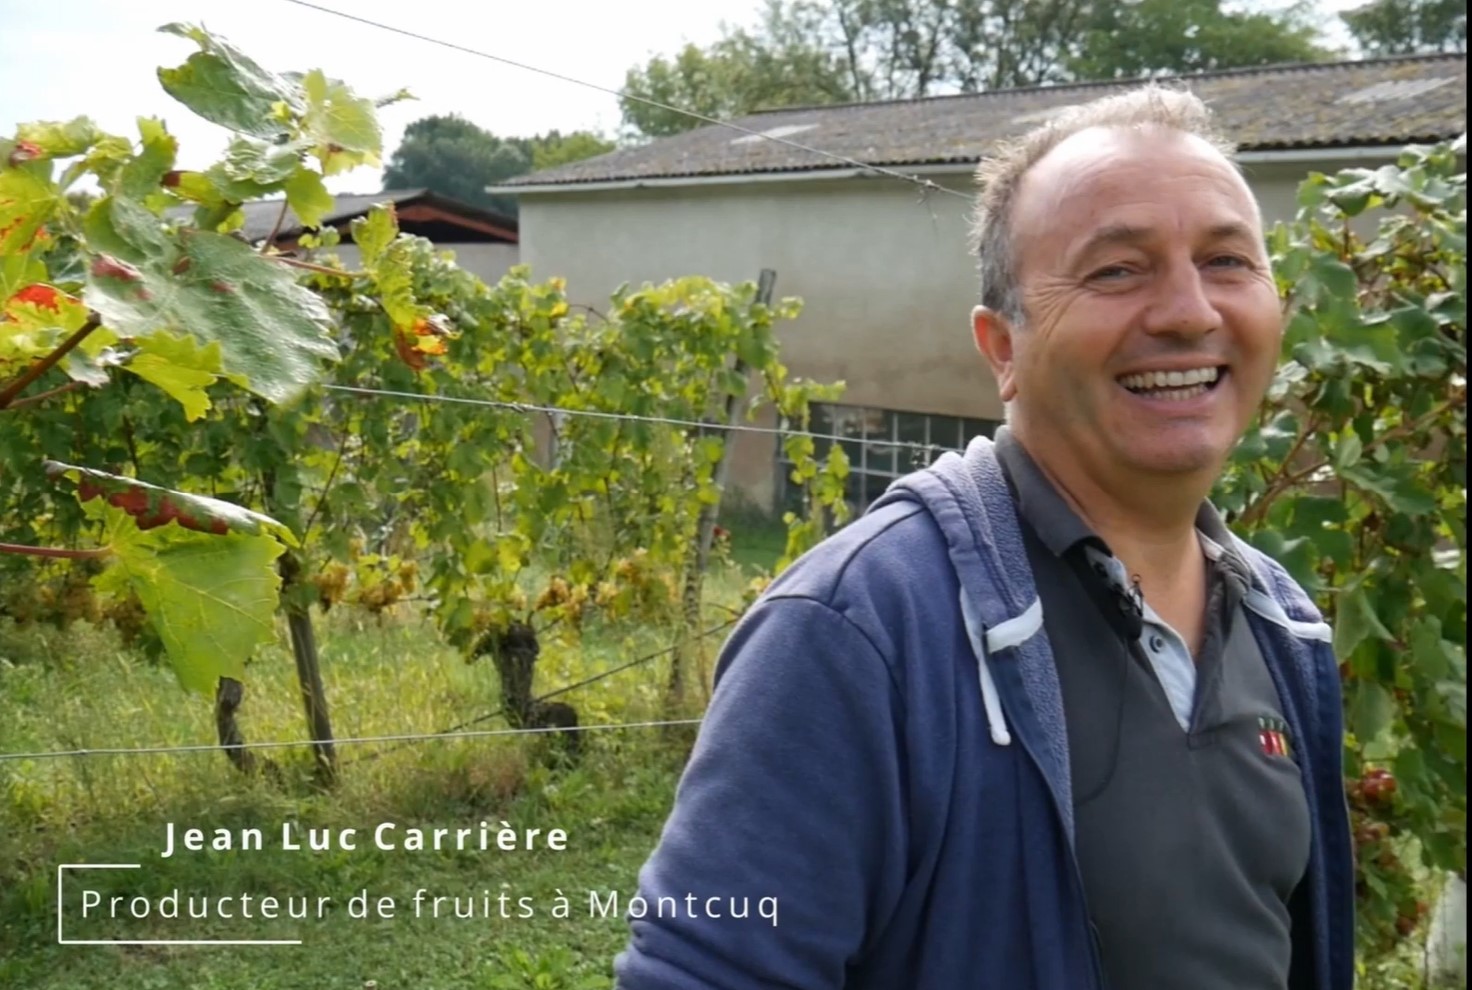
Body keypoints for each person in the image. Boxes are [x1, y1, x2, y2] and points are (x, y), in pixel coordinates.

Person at [613, 85, 1355, 990]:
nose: (1190, 312)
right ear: (1002, 348)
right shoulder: (859, 630)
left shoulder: (1284, 626)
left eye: (1228, 260)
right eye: (1118, 270)